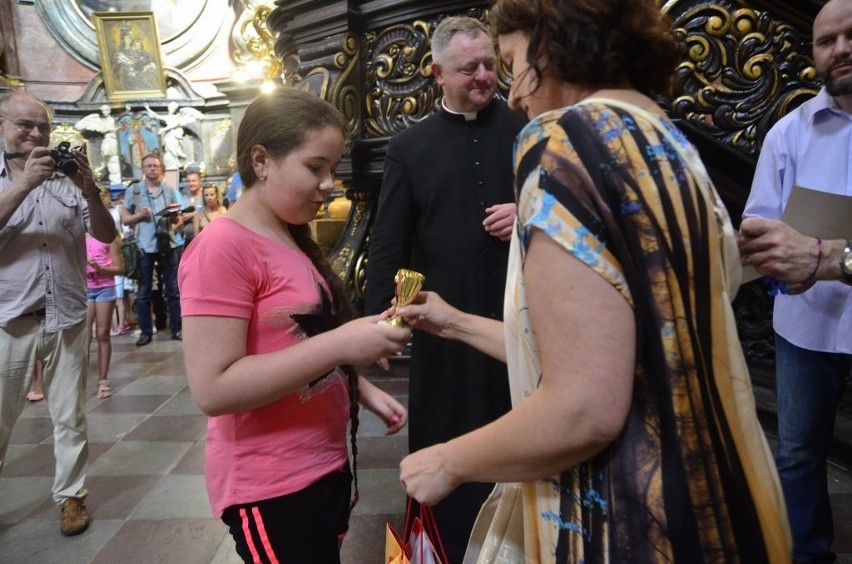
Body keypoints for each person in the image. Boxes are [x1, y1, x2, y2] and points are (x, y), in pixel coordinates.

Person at [395, 1, 792, 561]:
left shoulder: (565, 140)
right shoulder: (668, 140)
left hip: (627, 513)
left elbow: (584, 408)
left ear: (552, 41)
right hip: (719, 487)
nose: (511, 94)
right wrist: (457, 322)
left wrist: (448, 460)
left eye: (511, 61)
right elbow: (625, 347)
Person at [178, 88, 411, 563]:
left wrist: (358, 383)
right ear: (261, 160)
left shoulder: (287, 234)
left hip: (321, 464)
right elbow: (214, 388)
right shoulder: (222, 247)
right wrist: (343, 345)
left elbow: (293, 337)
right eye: (315, 167)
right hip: (270, 484)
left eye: (333, 170)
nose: (329, 184)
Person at [363, 16, 525, 559]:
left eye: (489, 64)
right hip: (443, 326)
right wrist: (379, 325)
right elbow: (389, 239)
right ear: (437, 73)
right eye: (467, 68)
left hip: (515, 318)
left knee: (518, 435)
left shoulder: (527, 125)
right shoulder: (411, 145)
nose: (483, 77)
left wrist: (528, 210)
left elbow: (571, 206)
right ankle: (447, 547)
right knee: (446, 444)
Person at [738, 0, 852, 560]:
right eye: (827, 41)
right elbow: (757, 222)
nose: (842, 49)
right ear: (813, 55)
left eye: (851, 36)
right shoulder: (789, 133)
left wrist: (833, 254)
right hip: (805, 326)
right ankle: (806, 554)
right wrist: (777, 254)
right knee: (799, 454)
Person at [0, 91, 117, 536]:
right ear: (3, 127)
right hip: (8, 319)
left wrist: (91, 191)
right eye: (24, 125)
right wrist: (25, 184)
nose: (35, 134)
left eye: (43, 127)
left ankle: (72, 497)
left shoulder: (68, 180)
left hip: (66, 316)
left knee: (70, 417)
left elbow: (104, 236)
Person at [120, 153, 184, 346]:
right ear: (143, 170)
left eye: (156, 166)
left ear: (161, 169)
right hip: (143, 245)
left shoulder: (168, 190)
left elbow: (178, 217)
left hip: (167, 244)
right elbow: (125, 219)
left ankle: (177, 328)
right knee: (144, 291)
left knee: (173, 289)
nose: (152, 169)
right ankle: (146, 331)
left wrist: (172, 218)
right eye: (148, 166)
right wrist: (139, 215)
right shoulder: (136, 190)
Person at [85, 228, 123, 398]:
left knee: (102, 334)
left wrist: (99, 267)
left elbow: (120, 268)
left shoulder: (109, 237)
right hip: (84, 289)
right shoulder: (78, 236)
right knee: (83, 338)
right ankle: (78, 382)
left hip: (104, 289)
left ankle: (103, 380)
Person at [144, 102, 203, 170]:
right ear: (168, 108)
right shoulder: (167, 117)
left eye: (174, 108)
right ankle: (176, 163)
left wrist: (163, 130)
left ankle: (178, 163)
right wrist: (148, 108)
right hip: (168, 136)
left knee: (173, 149)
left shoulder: (177, 117)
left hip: (174, 137)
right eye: (171, 108)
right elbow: (157, 116)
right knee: (168, 150)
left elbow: (174, 124)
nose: (172, 109)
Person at [74, 105, 121, 186]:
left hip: (111, 140)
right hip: (106, 141)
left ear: (109, 111)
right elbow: (78, 126)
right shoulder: (99, 120)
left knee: (113, 159)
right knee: (106, 158)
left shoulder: (112, 120)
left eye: (106, 110)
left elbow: (109, 129)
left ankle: (116, 180)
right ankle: (104, 171)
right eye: (103, 110)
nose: (105, 112)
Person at [180, 169, 203, 246]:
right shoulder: (183, 197)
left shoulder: (205, 197)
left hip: (202, 239)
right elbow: (180, 217)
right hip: (185, 240)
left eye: (194, 181)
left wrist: (190, 216)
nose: (191, 183)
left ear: (200, 182)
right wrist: (194, 214)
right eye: (188, 181)